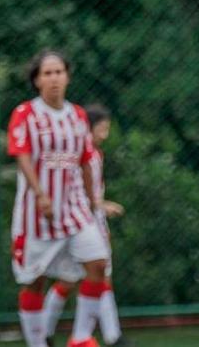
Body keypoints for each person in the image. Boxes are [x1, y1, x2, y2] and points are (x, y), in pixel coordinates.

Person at [8, 50, 111, 347]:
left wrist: (94, 202)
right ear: (37, 80)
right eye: (47, 73)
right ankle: (37, 343)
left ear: (67, 76)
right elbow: (22, 155)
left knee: (98, 264)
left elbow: (85, 159)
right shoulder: (25, 113)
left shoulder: (77, 115)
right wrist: (40, 194)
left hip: (74, 210)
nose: (54, 78)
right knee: (35, 282)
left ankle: (80, 338)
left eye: (59, 72)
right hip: (36, 215)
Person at [41, 105, 132, 346]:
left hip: (84, 221)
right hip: (82, 222)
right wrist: (99, 208)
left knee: (77, 278)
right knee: (91, 275)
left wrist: (99, 207)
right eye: (103, 128)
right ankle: (99, 337)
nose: (106, 134)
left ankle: (102, 336)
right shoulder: (80, 155)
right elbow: (81, 194)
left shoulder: (93, 154)